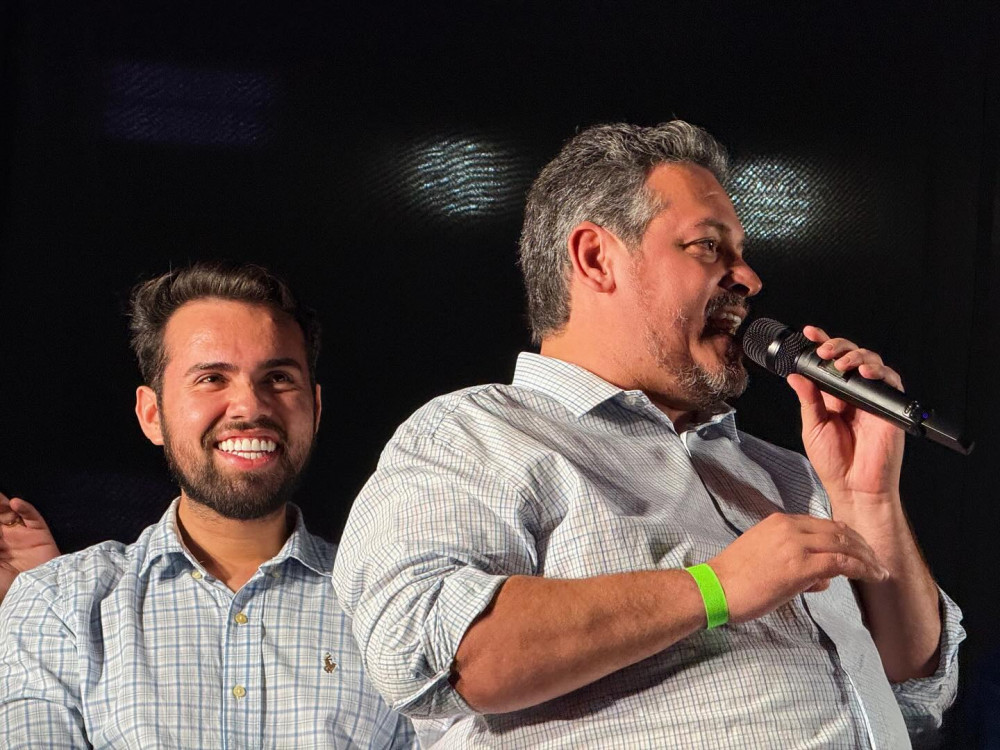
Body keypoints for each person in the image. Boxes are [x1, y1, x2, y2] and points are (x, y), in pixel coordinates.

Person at [331, 121, 964, 747]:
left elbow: (913, 681)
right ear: (596, 258)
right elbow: (428, 652)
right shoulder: (475, 435)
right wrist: (714, 587)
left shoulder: (786, 474)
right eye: (708, 246)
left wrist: (866, 497)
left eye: (741, 252)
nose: (749, 279)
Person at [0, 263, 415, 748]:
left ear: (315, 409)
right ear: (152, 414)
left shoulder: (390, 608)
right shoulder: (59, 603)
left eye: (278, 378)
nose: (251, 406)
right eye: (212, 378)